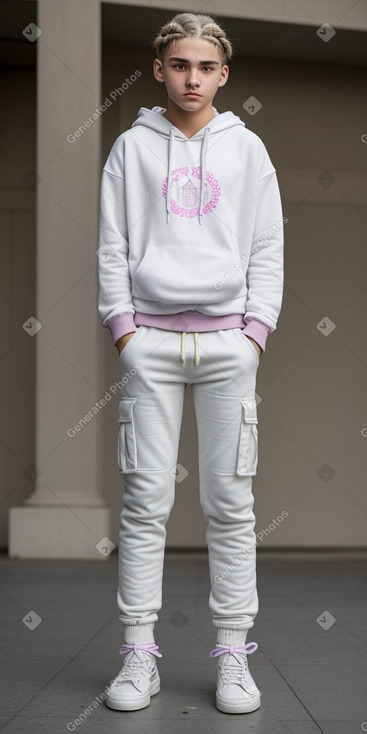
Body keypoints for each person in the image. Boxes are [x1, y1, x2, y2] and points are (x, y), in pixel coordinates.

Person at [97, 11, 284, 716]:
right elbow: (111, 245)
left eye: (205, 67)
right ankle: (138, 656)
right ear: (158, 69)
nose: (192, 78)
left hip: (227, 348)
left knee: (230, 506)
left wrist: (253, 335)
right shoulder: (130, 149)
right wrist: (124, 332)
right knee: (145, 503)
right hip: (148, 342)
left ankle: (232, 657)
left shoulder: (248, 150)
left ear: (223, 74)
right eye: (180, 65)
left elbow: (266, 248)